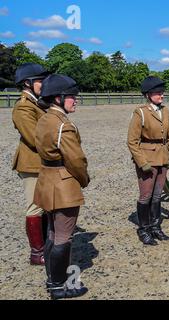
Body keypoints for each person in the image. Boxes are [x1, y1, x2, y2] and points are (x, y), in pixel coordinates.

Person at [34, 74, 90, 299]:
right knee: (63, 236)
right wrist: (84, 179)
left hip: (46, 180)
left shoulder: (44, 119)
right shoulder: (63, 125)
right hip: (63, 184)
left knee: (52, 233)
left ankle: (52, 279)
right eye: (71, 97)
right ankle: (59, 286)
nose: (75, 100)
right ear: (58, 98)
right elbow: (76, 160)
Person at [127, 76, 169, 246]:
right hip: (147, 159)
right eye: (158, 93)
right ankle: (143, 229)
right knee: (146, 195)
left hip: (163, 158)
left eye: (162, 92)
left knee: (157, 195)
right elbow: (132, 141)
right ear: (148, 94)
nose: (161, 95)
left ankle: (156, 227)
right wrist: (142, 162)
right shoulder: (140, 112)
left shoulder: (164, 111)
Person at [12, 63, 50, 265]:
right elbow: (34, 137)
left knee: (44, 206)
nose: (44, 84)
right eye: (40, 81)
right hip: (32, 163)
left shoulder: (38, 103)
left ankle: (45, 245)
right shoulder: (24, 106)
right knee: (34, 207)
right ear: (28, 83)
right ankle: (37, 252)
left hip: (42, 162)